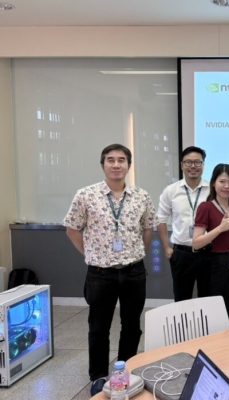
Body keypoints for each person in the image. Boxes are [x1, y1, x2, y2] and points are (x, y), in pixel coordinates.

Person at [63, 144, 156, 396]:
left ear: (129, 165)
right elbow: (72, 229)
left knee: (132, 325)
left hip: (133, 271)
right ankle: (98, 375)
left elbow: (147, 229)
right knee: (98, 327)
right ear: (102, 164)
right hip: (100, 273)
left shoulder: (141, 196)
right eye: (111, 160)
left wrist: (137, 253)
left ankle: (126, 371)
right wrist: (91, 254)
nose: (116, 165)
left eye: (121, 160)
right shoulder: (86, 195)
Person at [192, 164, 229, 327]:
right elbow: (196, 243)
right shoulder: (206, 207)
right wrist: (220, 228)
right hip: (217, 265)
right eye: (222, 181)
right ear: (213, 183)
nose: (226, 186)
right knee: (220, 311)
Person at [157, 146, 210, 301]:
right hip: (181, 253)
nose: (193, 166)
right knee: (181, 298)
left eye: (197, 162)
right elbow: (160, 219)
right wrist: (167, 248)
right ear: (181, 165)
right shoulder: (171, 190)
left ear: (203, 165)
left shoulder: (211, 190)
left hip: (207, 252)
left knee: (208, 297)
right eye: (188, 162)